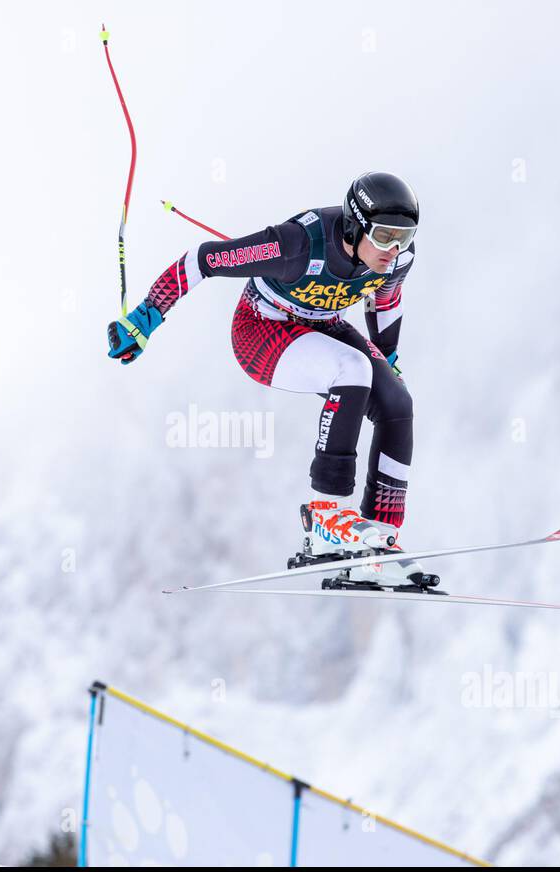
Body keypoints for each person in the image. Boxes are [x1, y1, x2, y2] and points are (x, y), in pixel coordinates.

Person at [108, 171, 429, 587]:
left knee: (397, 403)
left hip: (321, 325)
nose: (395, 248)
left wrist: (388, 356)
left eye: (404, 236)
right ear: (354, 224)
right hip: (261, 330)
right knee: (352, 370)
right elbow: (203, 259)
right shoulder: (296, 245)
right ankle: (326, 518)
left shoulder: (398, 258)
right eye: (385, 236)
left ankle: (380, 542)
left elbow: (386, 298)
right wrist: (146, 318)